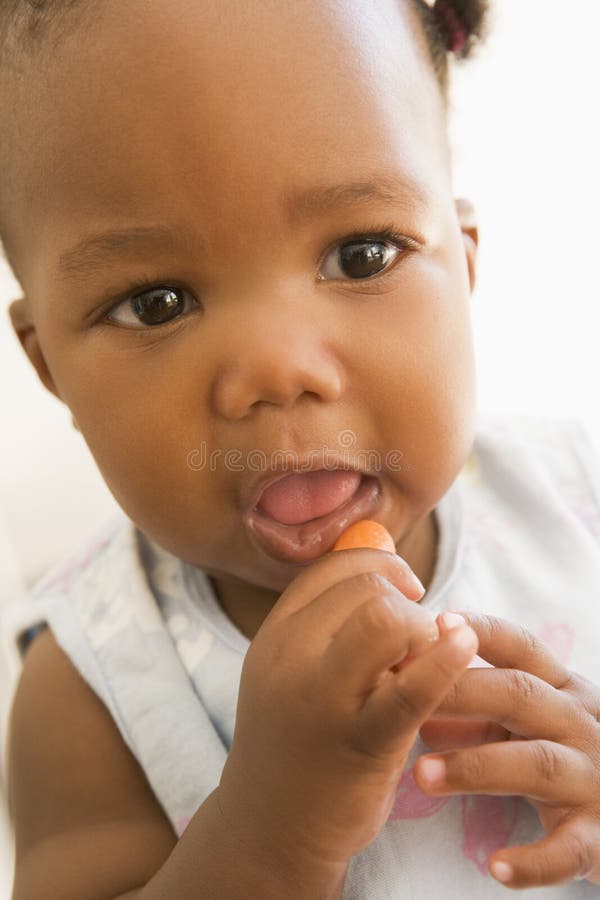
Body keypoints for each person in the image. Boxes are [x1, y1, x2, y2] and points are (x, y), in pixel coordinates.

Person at [2, 0, 600, 897]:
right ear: (53, 368)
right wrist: (270, 832)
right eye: (157, 303)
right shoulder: (93, 686)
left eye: (361, 255)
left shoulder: (577, 497)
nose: (277, 372)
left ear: (465, 267)